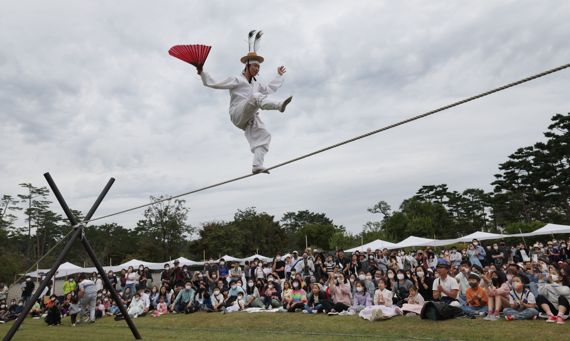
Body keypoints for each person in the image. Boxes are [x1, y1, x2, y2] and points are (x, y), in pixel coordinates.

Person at [197, 30, 293, 174]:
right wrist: (202, 72)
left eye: (259, 67)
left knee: (264, 135)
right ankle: (279, 106)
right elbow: (216, 83)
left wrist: (278, 76)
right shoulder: (237, 79)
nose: (257, 69)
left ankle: (257, 166)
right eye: (255, 66)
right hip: (237, 113)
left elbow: (268, 90)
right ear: (247, 66)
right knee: (255, 97)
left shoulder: (256, 84)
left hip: (249, 118)